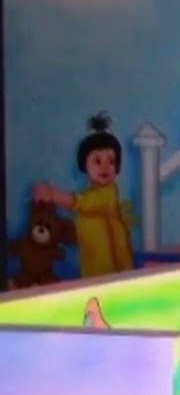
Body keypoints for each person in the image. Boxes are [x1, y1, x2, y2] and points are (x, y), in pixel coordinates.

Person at [33, 112, 134, 278]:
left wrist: (54, 194)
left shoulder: (109, 192)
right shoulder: (87, 190)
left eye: (111, 161)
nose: (105, 167)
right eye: (97, 161)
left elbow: (83, 203)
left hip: (114, 265)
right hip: (93, 263)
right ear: (84, 164)